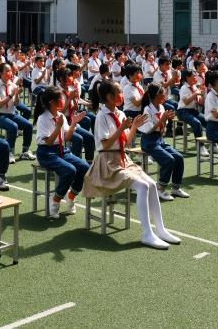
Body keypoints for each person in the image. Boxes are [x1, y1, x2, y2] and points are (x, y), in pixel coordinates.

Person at [83, 80, 181, 249]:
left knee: (151, 184)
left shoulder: (121, 114)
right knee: (142, 186)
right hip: (107, 163)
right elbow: (105, 145)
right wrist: (121, 129)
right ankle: (147, 234)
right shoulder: (101, 116)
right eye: (119, 92)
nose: (122, 95)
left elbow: (126, 143)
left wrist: (134, 127)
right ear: (109, 97)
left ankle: (161, 229)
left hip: (122, 159)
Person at [33, 87, 88, 218]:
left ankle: (71, 196)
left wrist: (73, 123)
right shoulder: (43, 118)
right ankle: (55, 200)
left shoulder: (61, 116)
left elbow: (67, 138)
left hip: (62, 150)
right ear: (52, 102)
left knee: (84, 167)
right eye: (61, 98)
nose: (63, 100)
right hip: (46, 153)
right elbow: (49, 142)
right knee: (70, 170)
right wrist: (58, 127)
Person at [138, 84, 189, 200]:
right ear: (155, 95)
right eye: (162, 93)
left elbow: (162, 129)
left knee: (179, 157)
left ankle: (176, 188)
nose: (164, 95)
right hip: (148, 141)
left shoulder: (161, 107)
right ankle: (160, 188)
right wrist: (162, 120)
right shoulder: (147, 109)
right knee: (169, 160)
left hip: (159, 139)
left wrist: (166, 121)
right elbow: (149, 130)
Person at [0, 63, 35, 163]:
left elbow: (15, 103)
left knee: (28, 125)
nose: (10, 73)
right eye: (7, 71)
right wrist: (11, 95)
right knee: (13, 127)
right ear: (0, 73)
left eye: (10, 70)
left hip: (12, 114)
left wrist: (17, 94)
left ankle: (25, 151)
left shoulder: (13, 85)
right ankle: (9, 153)